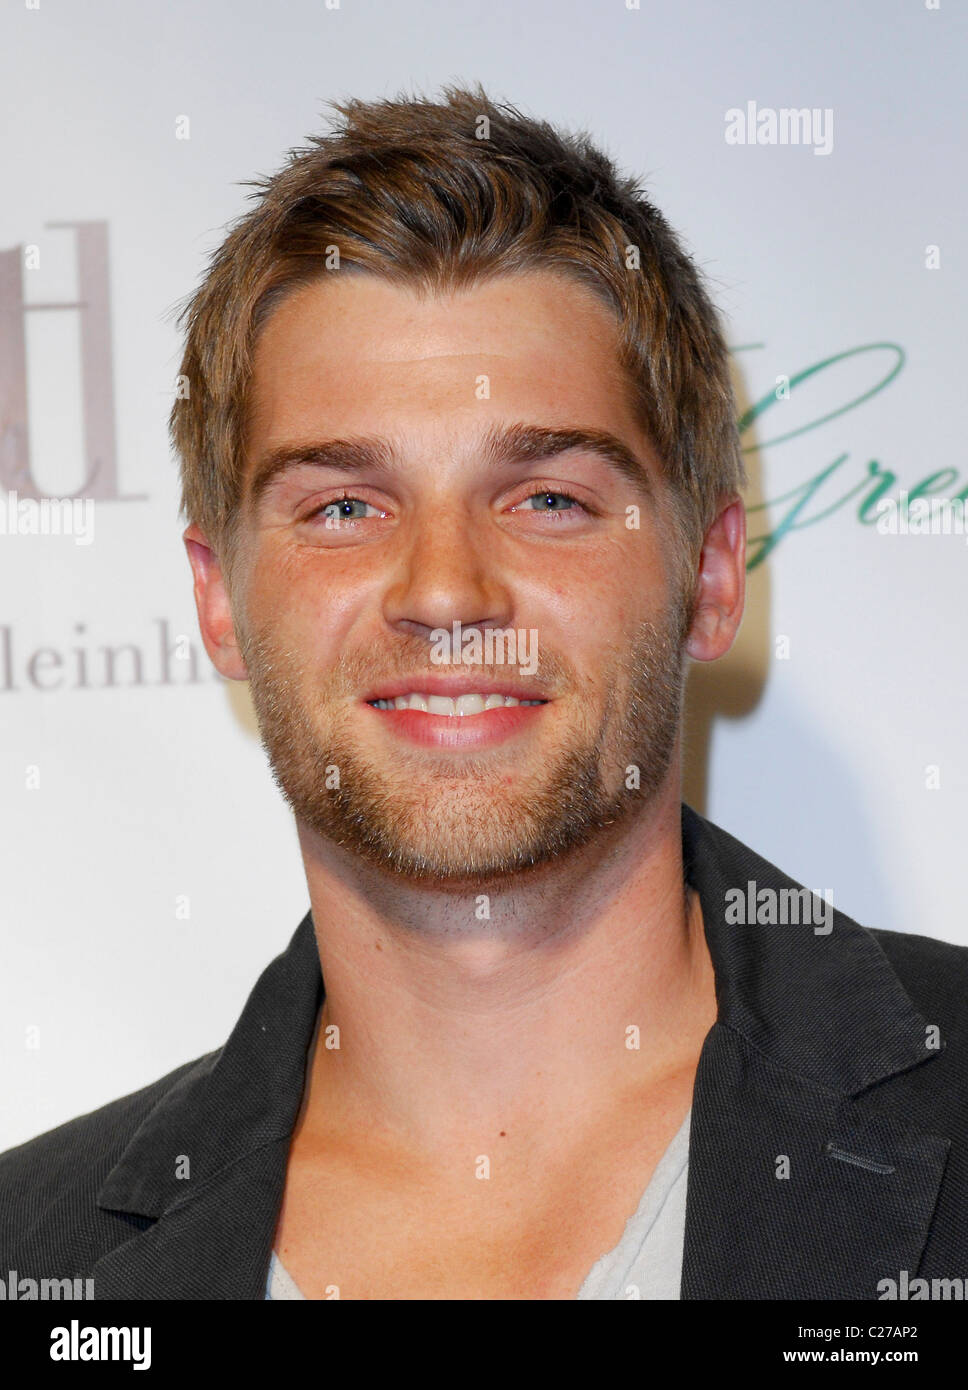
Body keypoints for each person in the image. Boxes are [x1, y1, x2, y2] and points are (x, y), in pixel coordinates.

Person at [2, 83, 965, 1302]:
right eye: (344, 507)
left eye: (547, 498)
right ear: (217, 599)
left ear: (710, 575)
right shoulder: (34, 1263)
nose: (446, 591)